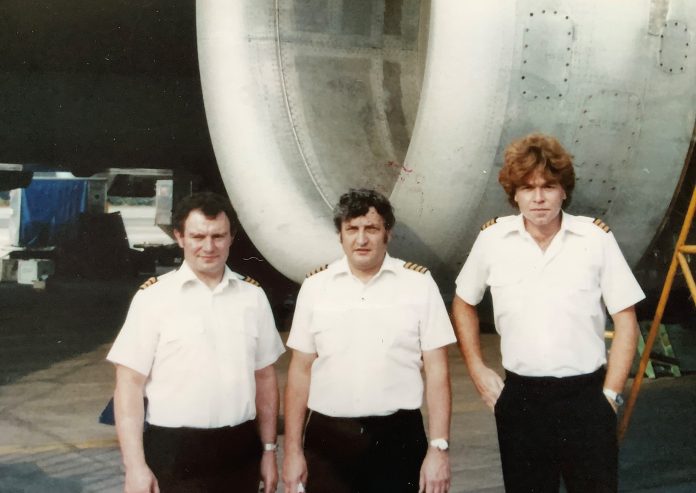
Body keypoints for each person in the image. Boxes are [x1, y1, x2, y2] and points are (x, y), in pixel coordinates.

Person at [452, 133, 645, 492]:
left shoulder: (595, 240)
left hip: (587, 400)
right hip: (521, 402)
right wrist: (477, 369)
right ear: (514, 193)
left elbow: (626, 320)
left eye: (549, 186)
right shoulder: (492, 241)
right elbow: (464, 302)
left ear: (564, 191)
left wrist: (611, 395)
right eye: (527, 187)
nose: (538, 197)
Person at [107, 192, 285, 493]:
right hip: (174, 451)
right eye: (198, 236)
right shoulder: (153, 299)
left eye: (218, 236)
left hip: (239, 450)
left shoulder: (252, 298)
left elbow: (265, 379)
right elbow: (129, 385)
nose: (208, 246)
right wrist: (135, 466)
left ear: (231, 238)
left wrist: (269, 451)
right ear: (179, 237)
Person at [282, 188, 456, 493]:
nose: (361, 239)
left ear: (387, 233)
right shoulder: (315, 287)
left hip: (397, 438)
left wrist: (438, 448)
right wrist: (293, 452)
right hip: (329, 438)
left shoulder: (418, 284)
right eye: (352, 229)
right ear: (340, 235)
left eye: (371, 229)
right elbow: (300, 372)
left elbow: (438, 371)